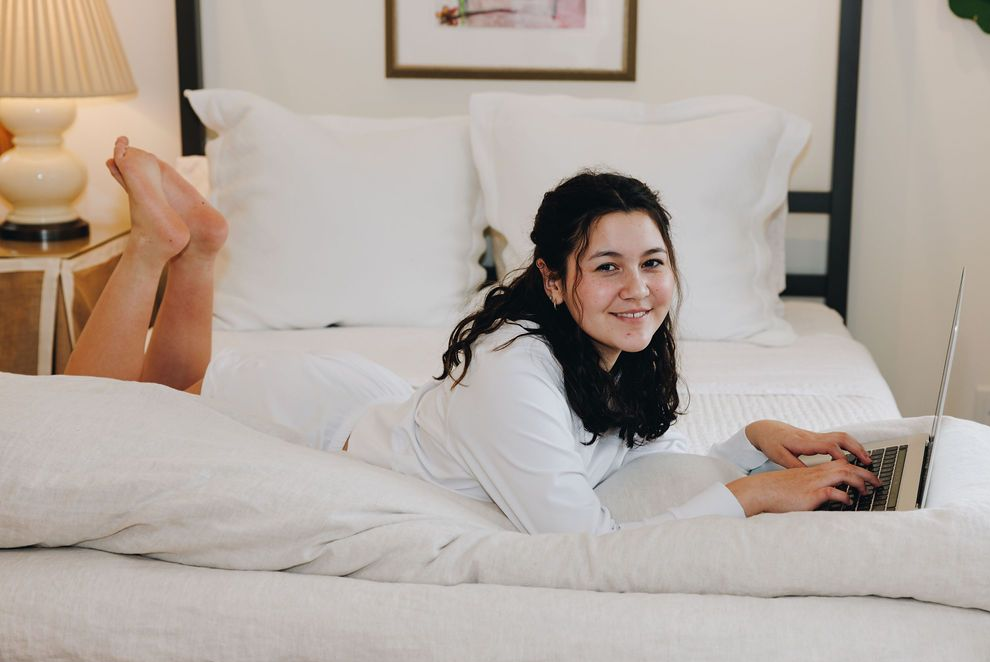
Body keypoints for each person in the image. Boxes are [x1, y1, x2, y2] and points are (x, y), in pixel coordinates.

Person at [67, 138, 882, 535]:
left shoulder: (630, 350)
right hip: (310, 429)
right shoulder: (513, 369)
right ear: (555, 281)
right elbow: (581, 545)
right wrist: (750, 496)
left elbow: (640, 463)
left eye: (653, 261)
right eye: (607, 267)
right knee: (96, 417)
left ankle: (200, 247)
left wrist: (749, 445)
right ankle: (159, 247)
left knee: (168, 393)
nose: (639, 290)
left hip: (364, 410)